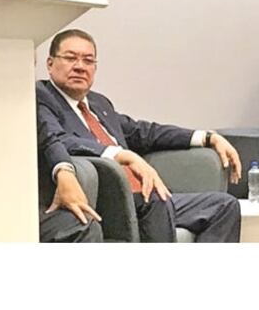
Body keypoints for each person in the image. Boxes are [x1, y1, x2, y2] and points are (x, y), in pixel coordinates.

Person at [36, 29, 242, 243]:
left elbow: (144, 132)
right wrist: (121, 155)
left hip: (143, 197)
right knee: (154, 199)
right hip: (109, 200)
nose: (79, 66)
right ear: (50, 64)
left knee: (224, 206)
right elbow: (58, 139)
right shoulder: (41, 97)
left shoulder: (98, 103)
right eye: (70, 58)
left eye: (88, 60)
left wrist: (207, 137)